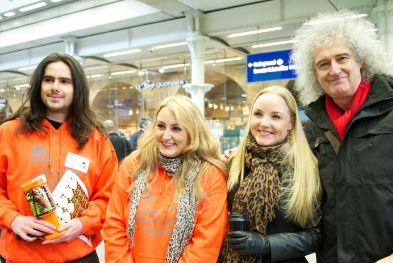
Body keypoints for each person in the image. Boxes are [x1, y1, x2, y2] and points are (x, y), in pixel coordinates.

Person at [290, 10, 393, 263]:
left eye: (342, 58)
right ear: (314, 73)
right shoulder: (311, 130)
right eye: (323, 64)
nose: (334, 70)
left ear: (360, 60)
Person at [0, 53, 118, 263]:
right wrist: (13, 219)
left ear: (77, 88)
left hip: (79, 255)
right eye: (48, 80)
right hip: (22, 255)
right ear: (39, 85)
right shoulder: (9, 132)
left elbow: (110, 196)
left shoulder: (96, 138)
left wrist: (84, 223)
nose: (55, 87)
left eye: (64, 81)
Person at [103, 95, 228, 263]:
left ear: (192, 131)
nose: (166, 136)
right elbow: (114, 225)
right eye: (161, 126)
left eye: (176, 129)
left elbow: (206, 244)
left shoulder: (210, 175)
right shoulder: (133, 166)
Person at [219, 86, 323, 263]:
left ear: (290, 123)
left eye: (276, 116)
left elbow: (317, 235)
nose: (264, 123)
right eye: (258, 114)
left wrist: (267, 244)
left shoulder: (305, 169)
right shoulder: (233, 163)